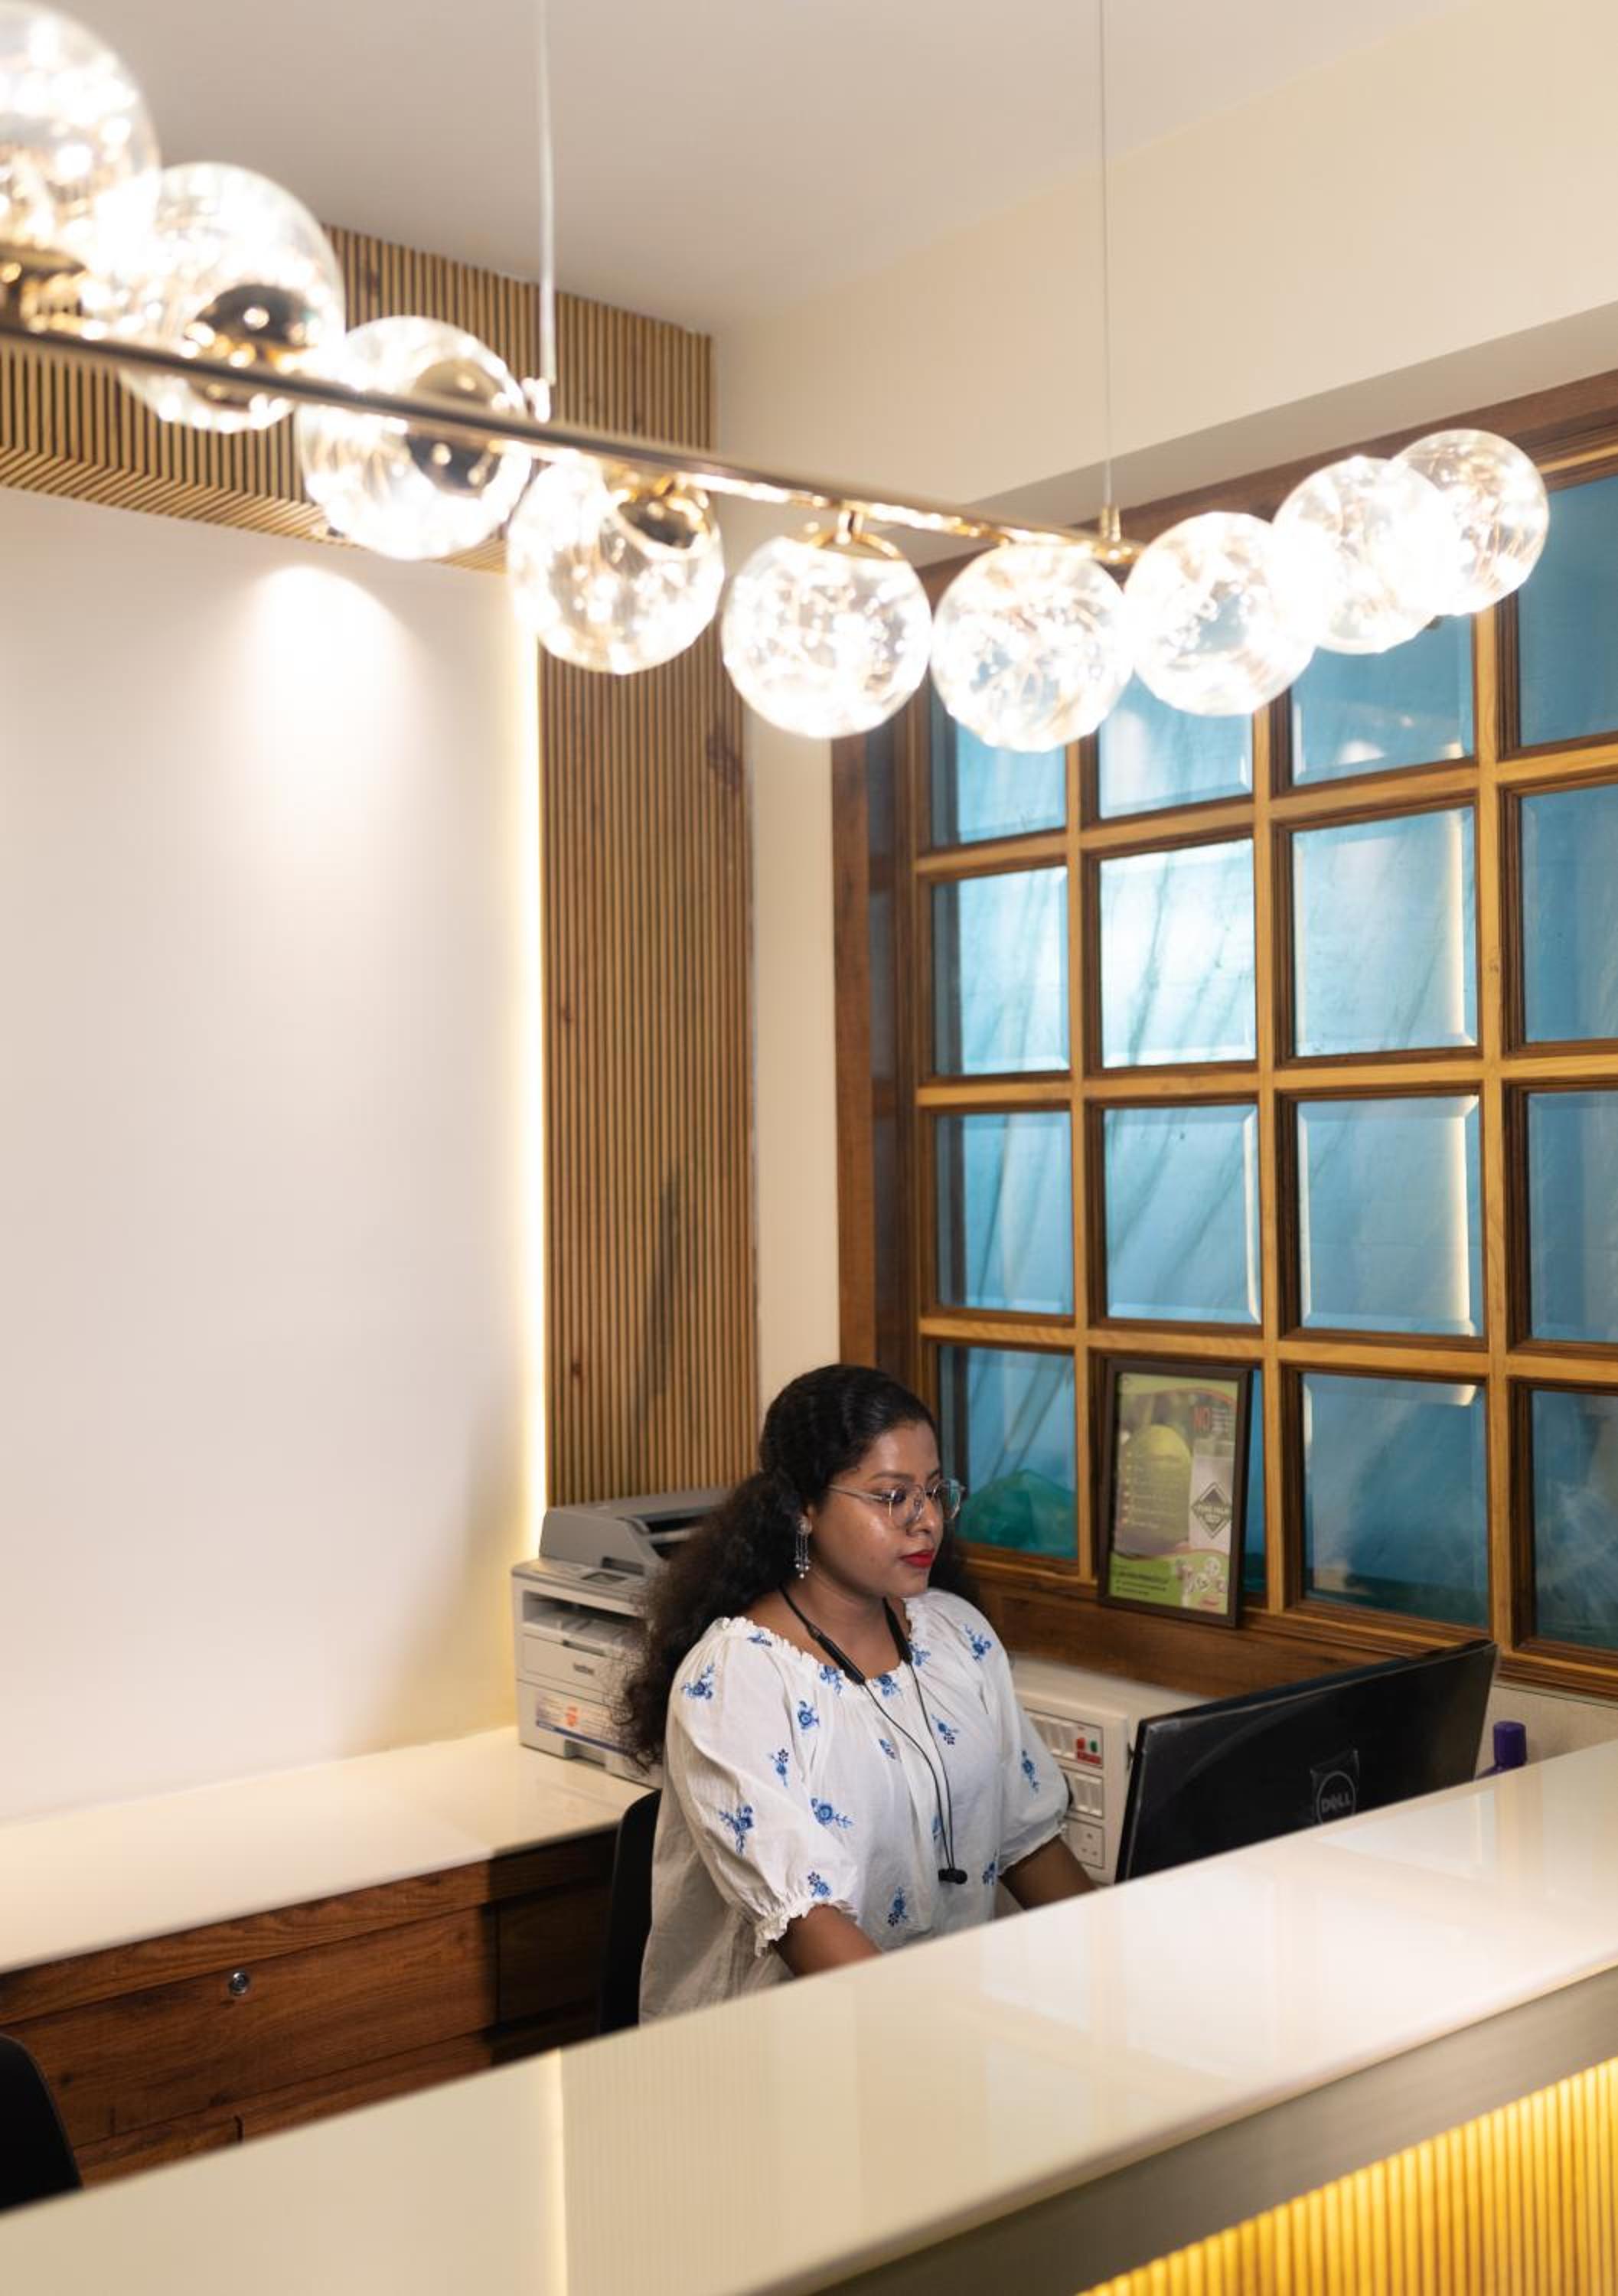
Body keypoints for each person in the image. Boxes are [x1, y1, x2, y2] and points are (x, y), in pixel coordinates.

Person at [621, 1362, 1091, 2021]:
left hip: (938, 2024)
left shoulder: (956, 1635)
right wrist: (947, 2040)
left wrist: (1123, 1968)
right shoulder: (735, 1681)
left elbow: (1027, 1838)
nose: (927, 1522)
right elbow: (809, 1924)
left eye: (935, 1492)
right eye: (892, 1497)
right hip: (780, 2047)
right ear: (803, 1507)